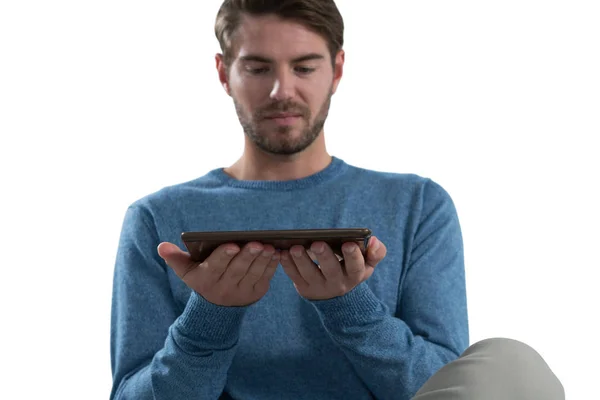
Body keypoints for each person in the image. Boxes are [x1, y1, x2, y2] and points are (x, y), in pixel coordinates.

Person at [109, 1, 565, 399]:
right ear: (223, 72)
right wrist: (209, 315)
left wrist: (351, 308)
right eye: (258, 68)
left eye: (304, 67)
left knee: (513, 365)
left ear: (338, 70)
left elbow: (447, 387)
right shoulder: (155, 219)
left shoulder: (418, 205)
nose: (281, 91)